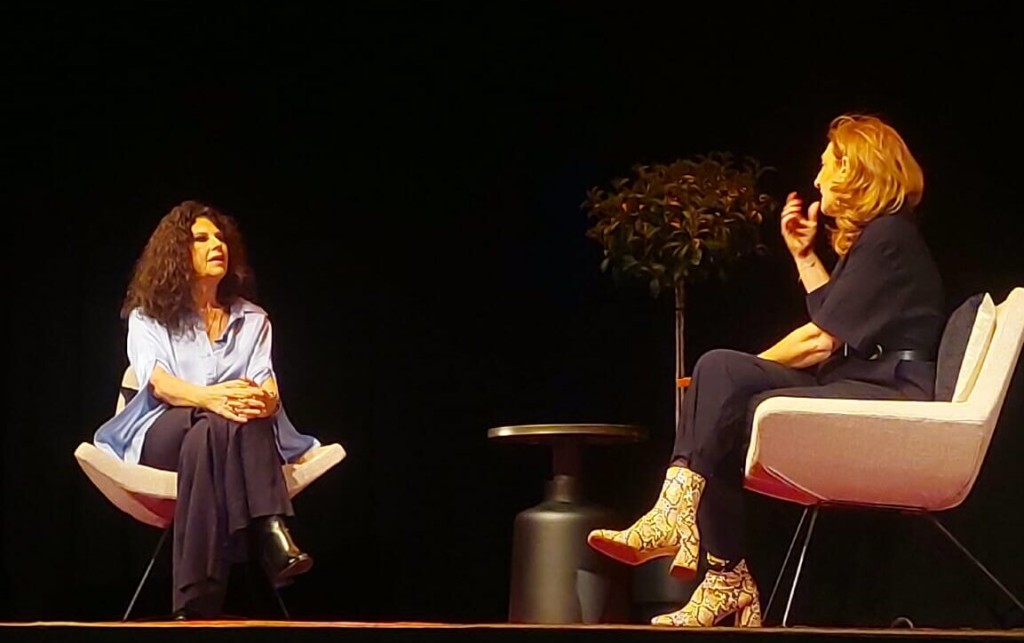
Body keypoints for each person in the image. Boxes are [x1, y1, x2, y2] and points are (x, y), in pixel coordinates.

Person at [587, 114, 945, 627]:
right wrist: (803, 255)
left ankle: (687, 531)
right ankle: (722, 575)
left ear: (856, 170)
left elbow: (820, 339)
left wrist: (739, 374)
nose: (818, 180)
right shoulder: (883, 237)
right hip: (863, 381)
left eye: (827, 167)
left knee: (722, 376)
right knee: (726, 393)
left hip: (891, 392)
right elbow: (833, 314)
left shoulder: (889, 236)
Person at [94, 200, 320, 619]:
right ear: (177, 254)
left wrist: (263, 400)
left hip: (214, 440)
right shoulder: (149, 317)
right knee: (219, 418)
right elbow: (160, 385)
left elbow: (266, 383)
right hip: (161, 433)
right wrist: (215, 398)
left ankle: (197, 598)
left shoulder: (254, 320)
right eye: (201, 239)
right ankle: (270, 531)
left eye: (220, 238)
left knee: (219, 428)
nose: (217, 245)